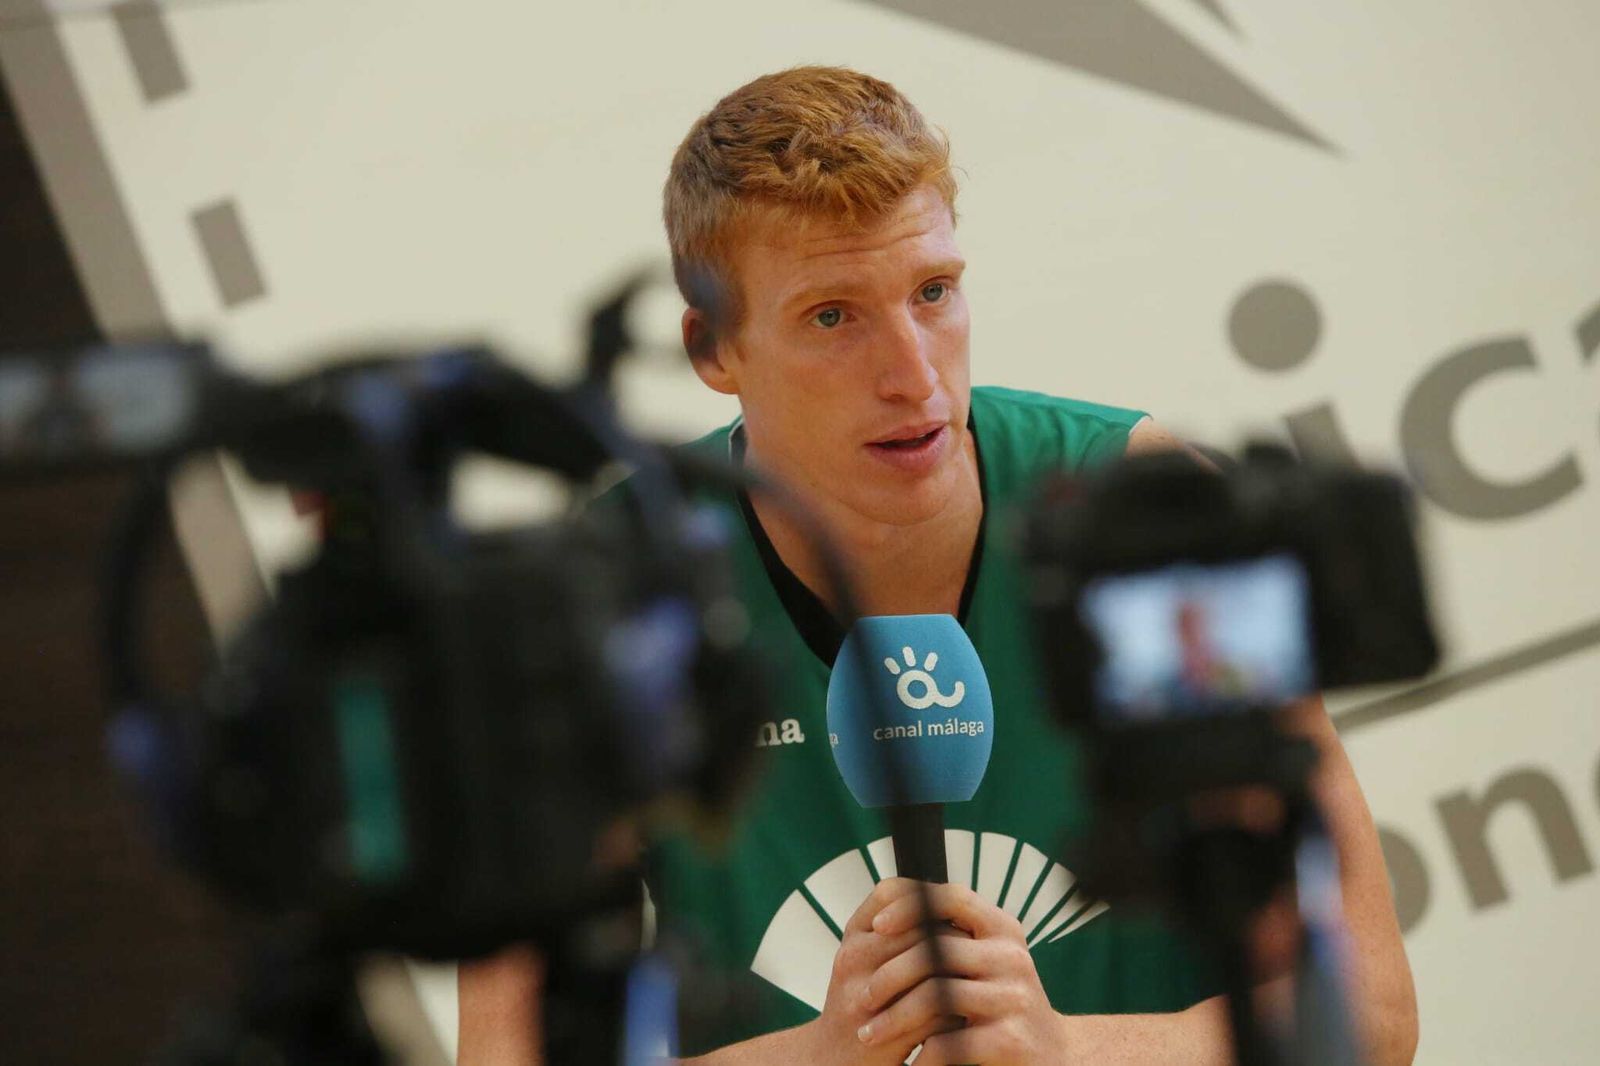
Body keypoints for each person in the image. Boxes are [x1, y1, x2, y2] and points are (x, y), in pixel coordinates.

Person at [459, 66, 1418, 1065]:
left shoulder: (1137, 521)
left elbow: (1367, 1016)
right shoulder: (600, 601)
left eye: (933, 292)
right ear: (713, 348)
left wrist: (1069, 1051)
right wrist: (828, 1055)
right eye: (833, 315)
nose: (913, 375)